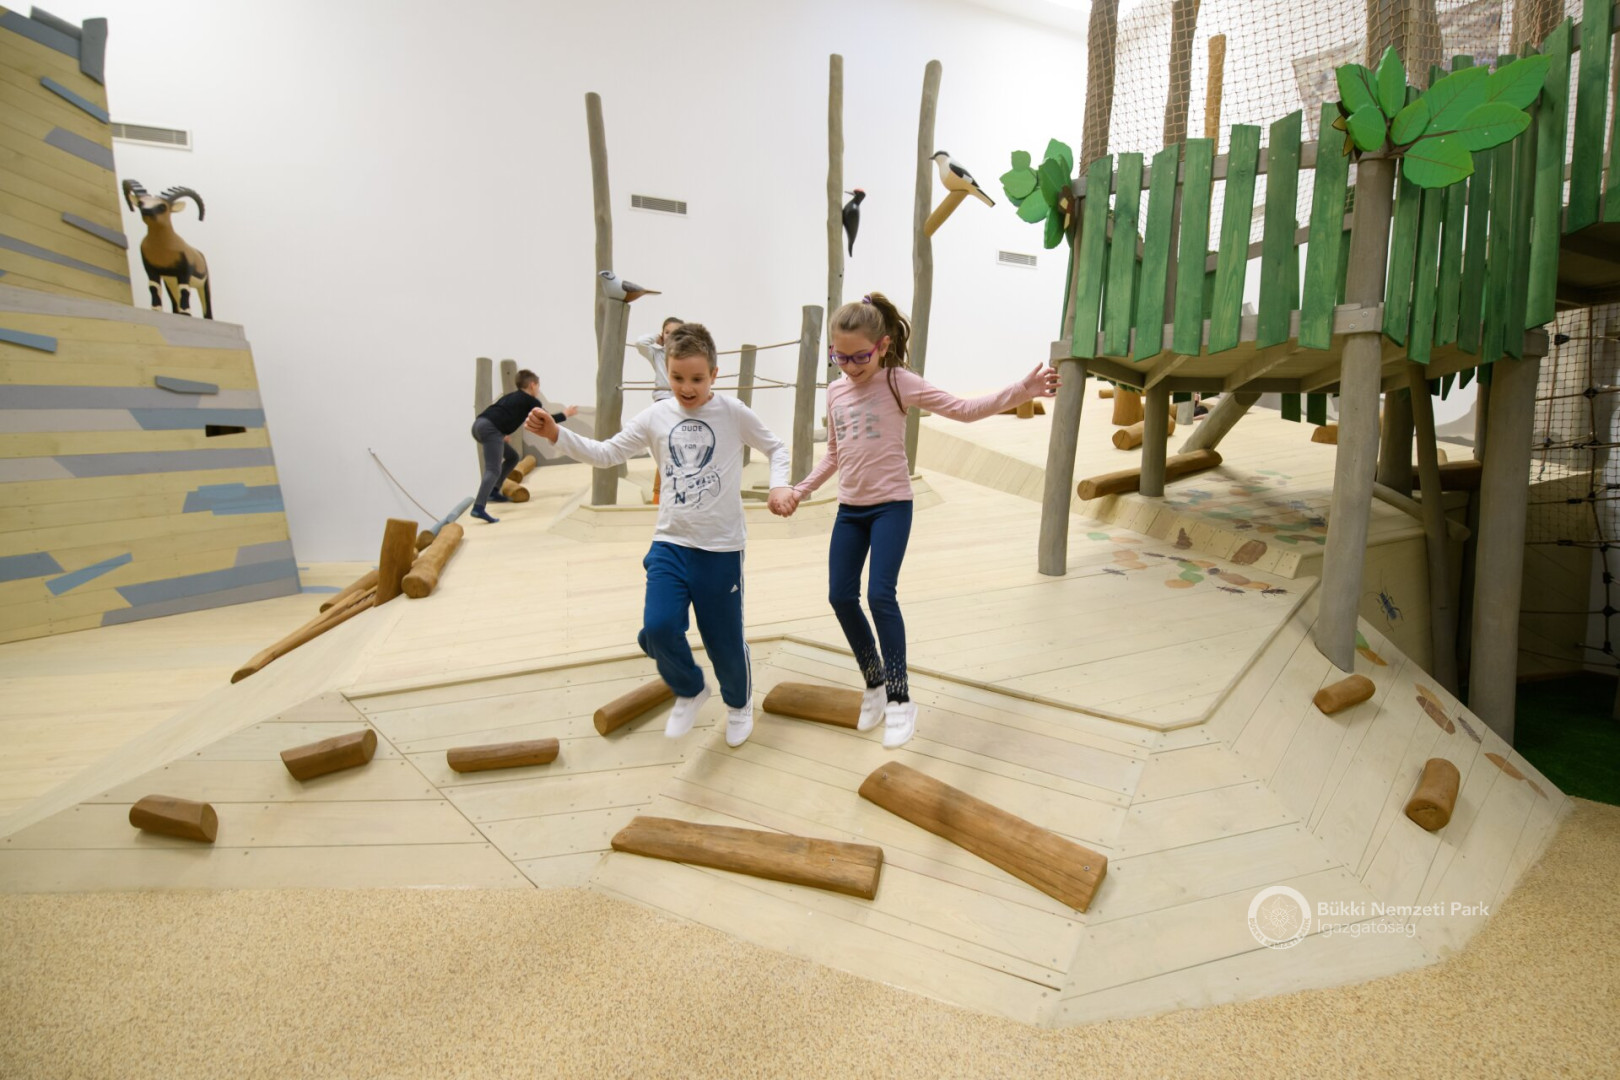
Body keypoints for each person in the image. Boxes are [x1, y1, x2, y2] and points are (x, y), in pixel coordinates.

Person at [769, 293, 1058, 749]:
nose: (850, 366)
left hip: (891, 507)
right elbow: (834, 455)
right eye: (840, 357)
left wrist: (1021, 391)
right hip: (850, 510)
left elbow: (963, 410)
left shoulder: (897, 383)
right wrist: (799, 491)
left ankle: (901, 699)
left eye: (860, 357)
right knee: (840, 596)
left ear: (882, 346)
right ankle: (874, 682)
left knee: (880, 595)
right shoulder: (837, 390)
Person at [527, 324, 791, 748]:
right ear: (666, 372)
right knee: (658, 627)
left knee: (723, 641)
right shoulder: (656, 416)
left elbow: (776, 447)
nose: (686, 388)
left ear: (714, 374)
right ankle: (690, 688)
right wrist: (555, 434)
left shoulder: (732, 412)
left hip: (720, 548)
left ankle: (739, 704)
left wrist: (779, 486)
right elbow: (607, 453)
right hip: (670, 543)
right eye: (677, 377)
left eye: (697, 379)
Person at [471, 370, 577, 524]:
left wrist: (501, 434)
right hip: (490, 429)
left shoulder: (511, 396)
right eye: (538, 386)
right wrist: (566, 413)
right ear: (532, 385)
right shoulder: (531, 401)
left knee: (512, 457)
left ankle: (494, 490)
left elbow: (498, 412)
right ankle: (478, 507)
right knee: (492, 469)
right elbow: (548, 420)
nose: (538, 390)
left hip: (479, 425)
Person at [633, 317, 685, 403]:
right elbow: (640, 343)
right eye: (667, 332)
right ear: (662, 335)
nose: (670, 336)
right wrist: (657, 337)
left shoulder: (688, 355)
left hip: (682, 398)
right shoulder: (657, 354)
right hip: (662, 398)